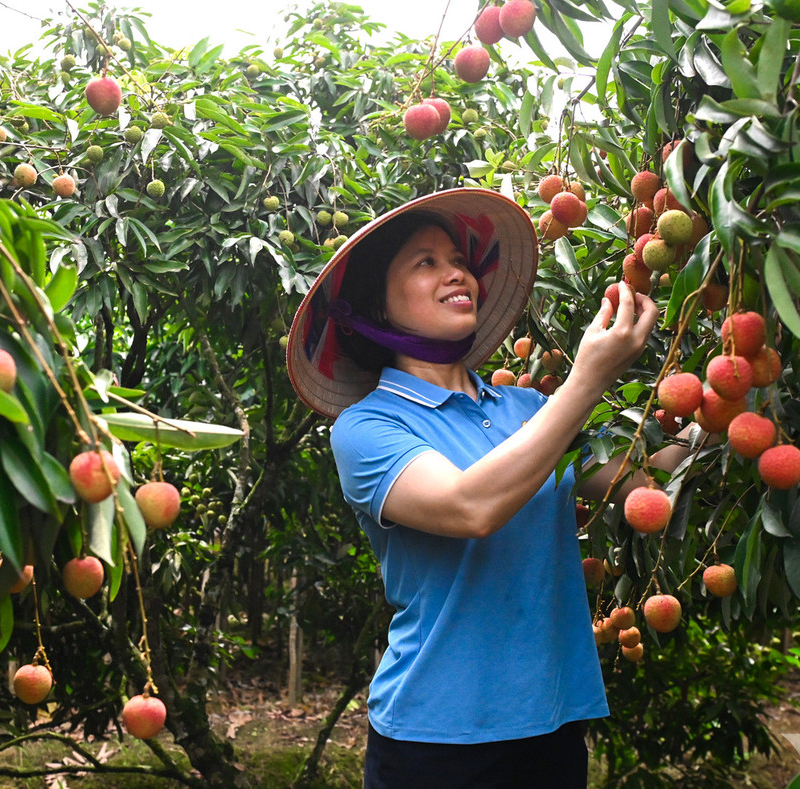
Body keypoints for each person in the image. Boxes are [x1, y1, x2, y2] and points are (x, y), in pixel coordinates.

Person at [285, 188, 668, 788]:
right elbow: (471, 506)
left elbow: (645, 479)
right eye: (425, 262)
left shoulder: (529, 408)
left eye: (459, 259)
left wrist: (741, 388)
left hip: (553, 722)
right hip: (436, 739)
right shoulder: (367, 427)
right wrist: (588, 378)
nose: (457, 271)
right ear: (376, 310)